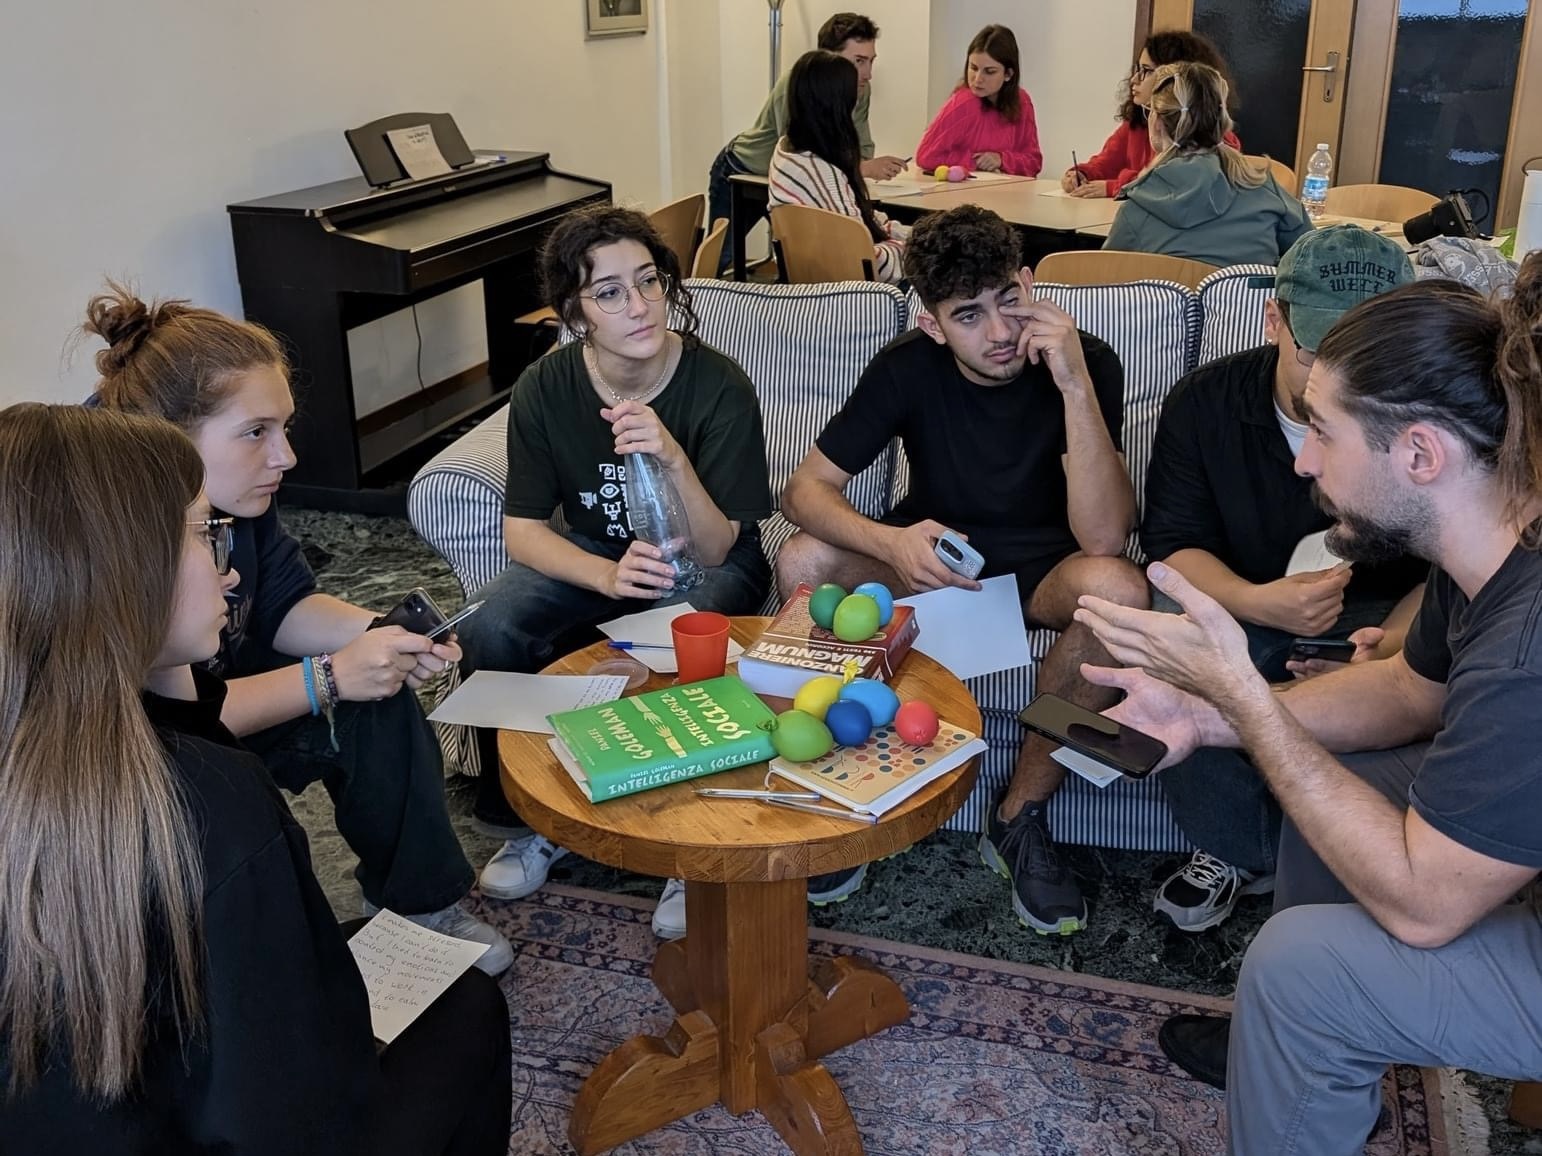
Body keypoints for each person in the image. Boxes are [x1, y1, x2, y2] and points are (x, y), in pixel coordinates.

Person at [1074, 258, 1542, 1153]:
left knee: (1296, 974)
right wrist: (1206, 716)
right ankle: (1308, 1060)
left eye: (1325, 432)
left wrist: (1244, 698)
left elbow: (1424, 906)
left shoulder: (1528, 646)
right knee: (1350, 774)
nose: (1303, 459)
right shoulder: (1489, 539)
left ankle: (1302, 1021)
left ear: (1420, 454)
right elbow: (1405, 692)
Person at [0, 404, 511, 1155]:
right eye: (201, 534)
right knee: (468, 1006)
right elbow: (299, 1105)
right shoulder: (214, 808)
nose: (228, 569)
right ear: (126, 571)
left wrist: (165, 664)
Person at [86, 287, 513, 976]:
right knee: (333, 698)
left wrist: (381, 636)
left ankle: (418, 905)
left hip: (219, 689)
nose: (284, 456)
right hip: (136, 751)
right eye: (256, 431)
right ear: (169, 434)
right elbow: (167, 723)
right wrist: (330, 676)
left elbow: (284, 601)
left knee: (378, 688)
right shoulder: (107, 532)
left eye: (283, 427)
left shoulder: (232, 492)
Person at [777, 204, 1149, 928]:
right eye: (969, 316)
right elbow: (804, 491)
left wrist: (1074, 385)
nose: (1001, 332)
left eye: (1009, 299)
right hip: (937, 559)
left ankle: (1019, 814)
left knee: (1117, 590)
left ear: (1029, 281)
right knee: (803, 557)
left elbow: (1104, 536)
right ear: (932, 324)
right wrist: (891, 544)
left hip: (1050, 566)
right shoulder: (906, 367)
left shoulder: (1086, 361)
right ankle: (849, 789)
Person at [453, 204, 773, 939]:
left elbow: (718, 546)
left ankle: (687, 847)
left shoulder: (718, 385)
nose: (639, 305)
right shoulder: (546, 385)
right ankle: (527, 822)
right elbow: (523, 534)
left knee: (692, 631)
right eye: (609, 292)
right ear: (575, 312)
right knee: (491, 625)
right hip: (597, 551)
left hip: (705, 554)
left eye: (649, 281)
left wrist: (671, 455)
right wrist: (604, 579)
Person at [1139, 225, 1428, 933]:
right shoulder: (1207, 403)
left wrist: (1394, 645)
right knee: (1189, 650)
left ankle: (1329, 862)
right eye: (1318, 351)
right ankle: (1240, 849)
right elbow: (1173, 547)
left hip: (1388, 612)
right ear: (1274, 319)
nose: (1339, 379)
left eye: (1365, 359)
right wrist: (1258, 601)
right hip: (1240, 596)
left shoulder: (1423, 422)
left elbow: (1455, 574)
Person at [706, 12, 906, 273]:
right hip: (744, 169)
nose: (868, 74)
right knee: (720, 258)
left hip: (793, 179)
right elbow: (807, 150)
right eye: (858, 61)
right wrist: (862, 168)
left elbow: (859, 146)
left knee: (803, 258)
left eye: (871, 61)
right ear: (827, 58)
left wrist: (860, 167)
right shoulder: (797, 88)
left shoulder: (859, 90)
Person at [1102, 62, 1309, 268]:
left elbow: (1102, 277)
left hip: (1167, 289)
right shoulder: (1265, 190)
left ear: (1157, 123)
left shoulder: (1136, 209)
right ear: (1221, 119)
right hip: (1247, 291)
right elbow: (1313, 257)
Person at [767, 50, 911, 285]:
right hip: (853, 292)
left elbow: (858, 223)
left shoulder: (786, 152)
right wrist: (912, 249)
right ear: (838, 106)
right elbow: (867, 262)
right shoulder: (823, 172)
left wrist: (907, 234)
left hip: (813, 282)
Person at [1061, 29, 1239, 200]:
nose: (1134, 79)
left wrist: (1114, 186)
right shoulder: (1136, 124)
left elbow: (1172, 185)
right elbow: (1106, 163)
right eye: (1137, 69)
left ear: (1174, 77)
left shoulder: (1212, 134)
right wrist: (1082, 174)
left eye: (1146, 71)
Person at [915, 25, 1041, 178]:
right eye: (973, 68)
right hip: (964, 190)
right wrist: (975, 161)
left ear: (1008, 74)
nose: (978, 79)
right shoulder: (964, 102)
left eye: (989, 71)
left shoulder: (1022, 101)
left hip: (1008, 189)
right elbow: (926, 156)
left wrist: (1002, 159)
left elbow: (1034, 163)